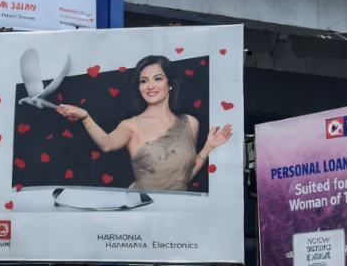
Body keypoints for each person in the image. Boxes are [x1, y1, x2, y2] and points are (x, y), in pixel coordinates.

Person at [55, 55, 233, 191]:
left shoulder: (190, 123)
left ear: (170, 84)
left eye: (158, 78)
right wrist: (85, 117)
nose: (150, 86)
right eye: (144, 81)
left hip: (177, 208)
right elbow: (107, 144)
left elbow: (185, 175)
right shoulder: (131, 125)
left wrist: (208, 147)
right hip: (142, 208)